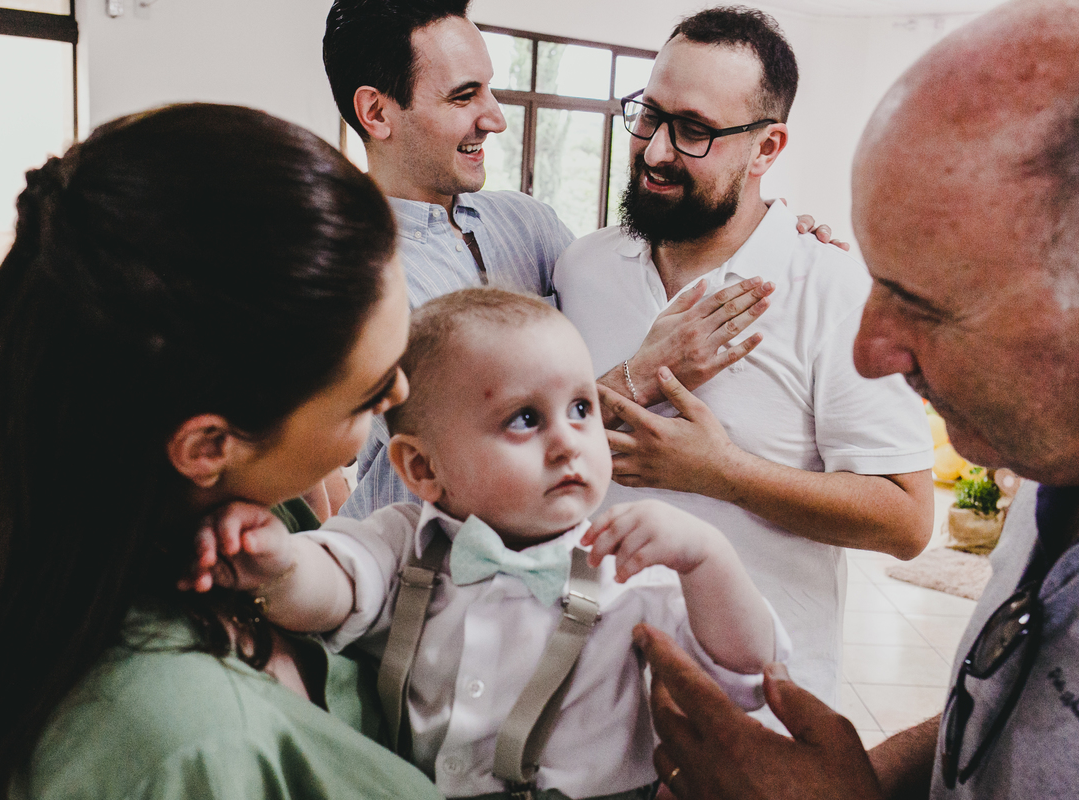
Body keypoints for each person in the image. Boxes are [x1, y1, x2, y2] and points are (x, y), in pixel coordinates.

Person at [634, 1, 1079, 798]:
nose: (870, 352)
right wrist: (859, 778)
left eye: (924, 303)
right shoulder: (1069, 456)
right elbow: (1011, 717)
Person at [0, 103, 439, 800]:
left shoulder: (258, 515)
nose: (400, 392)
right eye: (368, 393)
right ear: (209, 446)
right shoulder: (190, 746)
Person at [188, 287, 790, 800]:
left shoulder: (631, 565)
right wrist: (281, 567)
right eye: (524, 419)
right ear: (423, 468)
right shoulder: (403, 541)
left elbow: (746, 671)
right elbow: (333, 587)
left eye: (581, 408)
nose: (569, 442)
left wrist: (707, 560)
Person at [553, 6, 934, 709]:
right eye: (648, 115)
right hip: (588, 696)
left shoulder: (832, 288)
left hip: (753, 711)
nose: (655, 151)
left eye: (694, 130)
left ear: (766, 148)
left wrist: (722, 473)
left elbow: (907, 520)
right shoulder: (582, 267)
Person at [323, 0, 833, 519]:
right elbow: (450, 460)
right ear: (377, 113)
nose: (496, 118)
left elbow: (614, 282)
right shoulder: (340, 277)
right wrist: (643, 374)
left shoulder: (529, 225)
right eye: (463, 96)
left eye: (490, 89)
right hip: (407, 564)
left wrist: (768, 232)